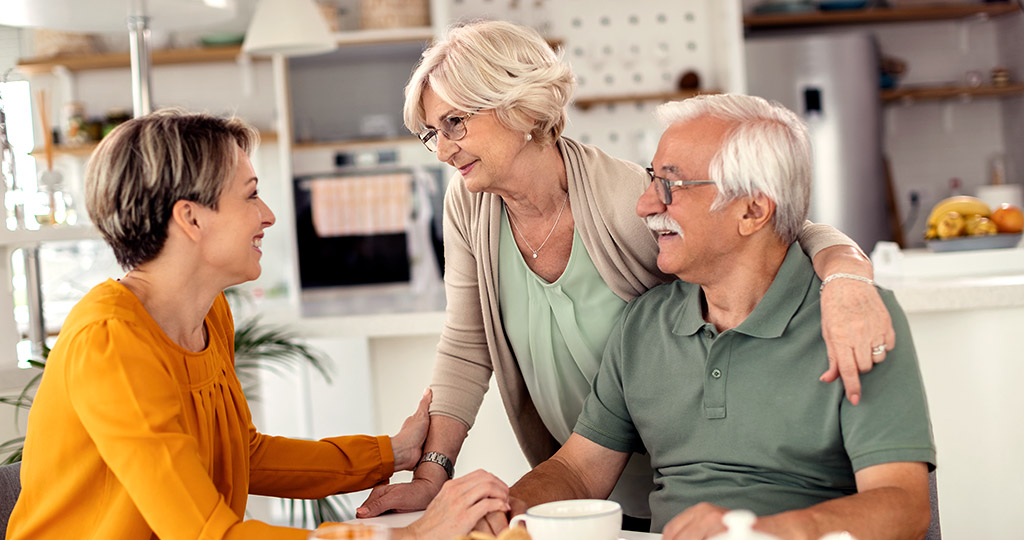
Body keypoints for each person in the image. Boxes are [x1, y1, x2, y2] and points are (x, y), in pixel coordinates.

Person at [358, 19, 898, 531]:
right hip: (575, 479)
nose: (444, 149)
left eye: (456, 122)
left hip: (675, 481)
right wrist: (432, 477)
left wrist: (848, 277)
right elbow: (466, 343)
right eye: (432, 132)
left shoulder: (626, 201)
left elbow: (776, 226)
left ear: (518, 107)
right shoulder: (470, 205)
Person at [5, 109, 508, 540]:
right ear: (191, 219)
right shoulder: (111, 342)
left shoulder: (208, 313)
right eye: (249, 196)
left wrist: (390, 453)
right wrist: (414, 534)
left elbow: (245, 455)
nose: (267, 215)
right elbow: (209, 535)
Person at [503, 94, 936, 539]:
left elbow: (902, 509)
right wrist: (504, 510)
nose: (645, 205)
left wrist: (751, 531)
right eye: (652, 180)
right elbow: (578, 472)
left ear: (752, 210)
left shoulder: (855, 320)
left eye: (670, 186)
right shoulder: (644, 324)